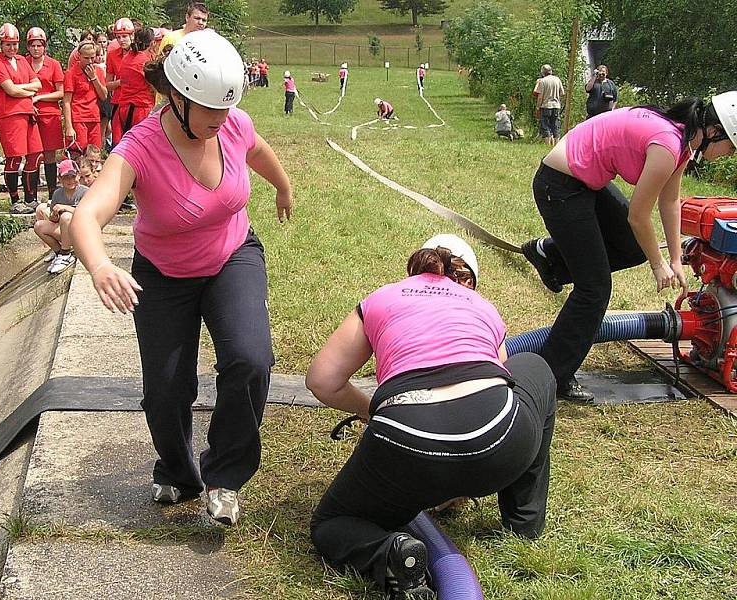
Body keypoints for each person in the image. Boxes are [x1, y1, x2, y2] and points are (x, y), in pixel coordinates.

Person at [69, 30, 293, 526]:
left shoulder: (231, 123)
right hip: (164, 274)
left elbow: (256, 148)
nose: (221, 122)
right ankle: (177, 469)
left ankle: (225, 477)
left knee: (251, 359)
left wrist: (282, 186)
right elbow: (88, 215)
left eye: (226, 111)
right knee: (167, 390)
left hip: (232, 255)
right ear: (176, 96)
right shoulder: (140, 147)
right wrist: (101, 265)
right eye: (210, 112)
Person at [307, 234, 556, 600]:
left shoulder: (382, 297)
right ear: (467, 278)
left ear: (414, 269)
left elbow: (322, 381)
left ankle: (391, 554)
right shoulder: (480, 304)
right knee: (534, 365)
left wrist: (372, 412)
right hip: (498, 444)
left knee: (331, 523)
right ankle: (524, 523)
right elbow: (502, 381)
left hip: (404, 446)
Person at [521, 93, 737, 402]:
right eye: (730, 147)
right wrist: (657, 263)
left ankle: (550, 255)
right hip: (560, 185)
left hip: (584, 181)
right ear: (715, 131)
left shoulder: (682, 142)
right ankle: (554, 376)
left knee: (634, 248)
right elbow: (638, 215)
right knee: (594, 289)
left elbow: (671, 200)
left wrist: (675, 259)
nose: (728, 154)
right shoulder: (668, 145)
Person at [0, 23, 43, 214]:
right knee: (14, 157)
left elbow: (37, 84)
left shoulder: (21, 60)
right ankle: (14, 199)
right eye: (7, 44)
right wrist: (25, 89)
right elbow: (9, 89)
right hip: (9, 115)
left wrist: (21, 89)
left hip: (27, 112)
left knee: (35, 154)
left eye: (14, 44)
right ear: (0, 44)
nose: (11, 48)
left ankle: (31, 198)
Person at [26, 27, 64, 200]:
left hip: (49, 114)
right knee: (32, 154)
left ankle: (51, 193)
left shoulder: (53, 64)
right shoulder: (22, 63)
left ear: (44, 46)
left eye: (39, 45)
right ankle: (31, 194)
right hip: (29, 114)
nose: (36, 48)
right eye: (32, 45)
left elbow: (60, 92)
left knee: (50, 154)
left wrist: (39, 98)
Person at [34, 159, 87, 273]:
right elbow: (54, 220)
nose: (70, 180)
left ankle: (66, 253)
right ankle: (59, 252)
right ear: (60, 179)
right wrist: (54, 216)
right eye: (66, 177)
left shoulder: (85, 192)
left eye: (73, 176)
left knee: (66, 217)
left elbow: (87, 213)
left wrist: (65, 208)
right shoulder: (57, 194)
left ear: (78, 176)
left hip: (82, 232)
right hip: (64, 231)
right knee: (39, 226)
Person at [63, 41, 107, 158]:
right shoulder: (71, 73)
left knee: (95, 153)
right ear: (79, 56)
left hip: (94, 118)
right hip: (78, 118)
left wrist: (94, 78)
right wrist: (68, 126)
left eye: (92, 57)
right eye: (86, 58)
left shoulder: (98, 71)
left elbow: (104, 96)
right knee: (78, 154)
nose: (90, 61)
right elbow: (66, 101)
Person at [113, 27, 155, 144]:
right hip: (140, 109)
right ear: (151, 43)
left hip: (124, 109)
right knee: (142, 147)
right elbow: (154, 86)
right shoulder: (145, 62)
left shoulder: (128, 57)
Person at [106, 18, 135, 146]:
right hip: (118, 102)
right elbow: (108, 85)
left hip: (135, 103)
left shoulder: (139, 54)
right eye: (118, 37)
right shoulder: (112, 55)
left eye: (124, 36)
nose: (121, 40)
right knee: (118, 141)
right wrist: (120, 82)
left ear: (132, 35)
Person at [534, 64, 564, 145]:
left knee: (545, 126)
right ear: (551, 71)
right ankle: (556, 145)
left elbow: (540, 97)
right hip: (556, 105)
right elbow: (562, 92)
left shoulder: (542, 81)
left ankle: (548, 145)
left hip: (546, 106)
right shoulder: (557, 79)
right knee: (555, 125)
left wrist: (537, 108)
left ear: (543, 72)